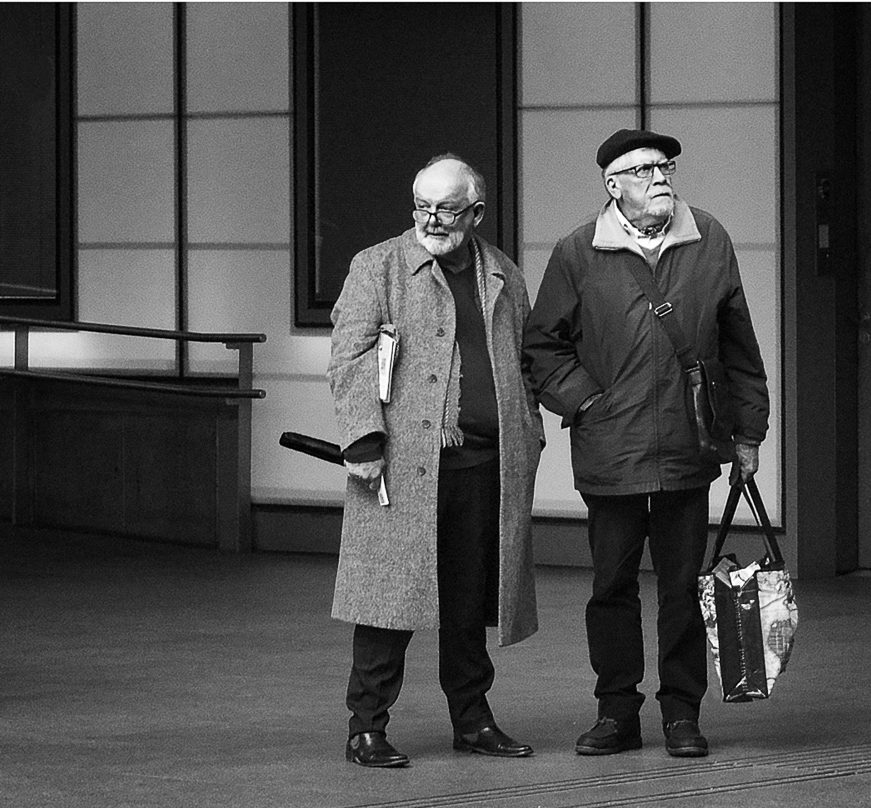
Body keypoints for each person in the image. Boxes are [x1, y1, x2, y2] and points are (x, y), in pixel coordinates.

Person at [523, 129, 769, 758]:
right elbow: (542, 346)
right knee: (611, 585)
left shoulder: (707, 238)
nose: (661, 177)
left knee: (684, 585)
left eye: (666, 167)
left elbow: (738, 342)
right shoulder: (578, 251)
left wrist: (749, 432)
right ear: (613, 185)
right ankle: (616, 712)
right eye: (644, 170)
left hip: (690, 443)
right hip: (612, 448)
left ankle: (682, 714)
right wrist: (586, 403)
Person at [328, 155, 544, 768]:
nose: (431, 219)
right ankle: (365, 727)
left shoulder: (501, 273)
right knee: (386, 598)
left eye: (446, 209)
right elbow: (349, 359)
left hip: (486, 463)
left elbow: (524, 361)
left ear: (475, 213)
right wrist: (365, 440)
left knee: (470, 600)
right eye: (421, 206)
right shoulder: (379, 266)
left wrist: (531, 427)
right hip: (401, 463)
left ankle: (472, 720)